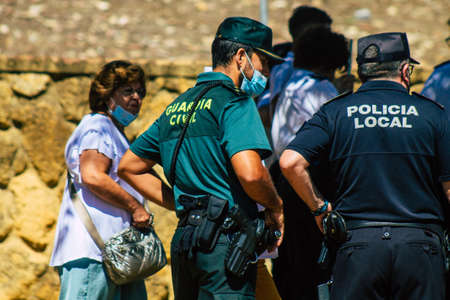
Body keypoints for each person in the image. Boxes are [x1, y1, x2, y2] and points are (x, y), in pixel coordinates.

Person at [118, 17, 284, 300]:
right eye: (263, 62)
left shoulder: (177, 106)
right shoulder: (235, 102)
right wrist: (275, 205)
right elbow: (251, 174)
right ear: (241, 57)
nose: (266, 72)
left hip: (186, 242)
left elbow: (129, 167)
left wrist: (184, 205)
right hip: (225, 244)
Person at [280, 32, 449, 299]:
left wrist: (320, 209)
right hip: (420, 248)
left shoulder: (334, 111)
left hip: (357, 247)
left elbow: (290, 162)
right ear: (405, 71)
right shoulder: (433, 114)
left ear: (362, 72)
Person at [49, 60, 173, 300]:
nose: (136, 97)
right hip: (92, 254)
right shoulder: (98, 126)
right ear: (107, 95)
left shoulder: (116, 134)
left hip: (118, 257)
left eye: (140, 92)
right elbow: (92, 176)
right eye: (127, 91)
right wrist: (135, 208)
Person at [270, 26, 350, 300]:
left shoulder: (291, 83)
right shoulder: (320, 87)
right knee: (314, 263)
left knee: (288, 262)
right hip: (308, 179)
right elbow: (336, 133)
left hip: (282, 177)